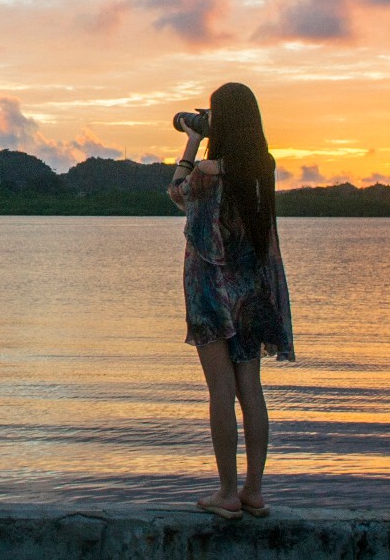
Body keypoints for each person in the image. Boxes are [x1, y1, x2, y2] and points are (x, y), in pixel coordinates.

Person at [168, 81, 295, 519]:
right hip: (252, 295)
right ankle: (253, 490)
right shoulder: (262, 170)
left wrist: (192, 142)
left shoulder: (207, 175)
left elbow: (176, 195)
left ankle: (226, 492)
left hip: (210, 293)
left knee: (220, 389)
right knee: (250, 390)